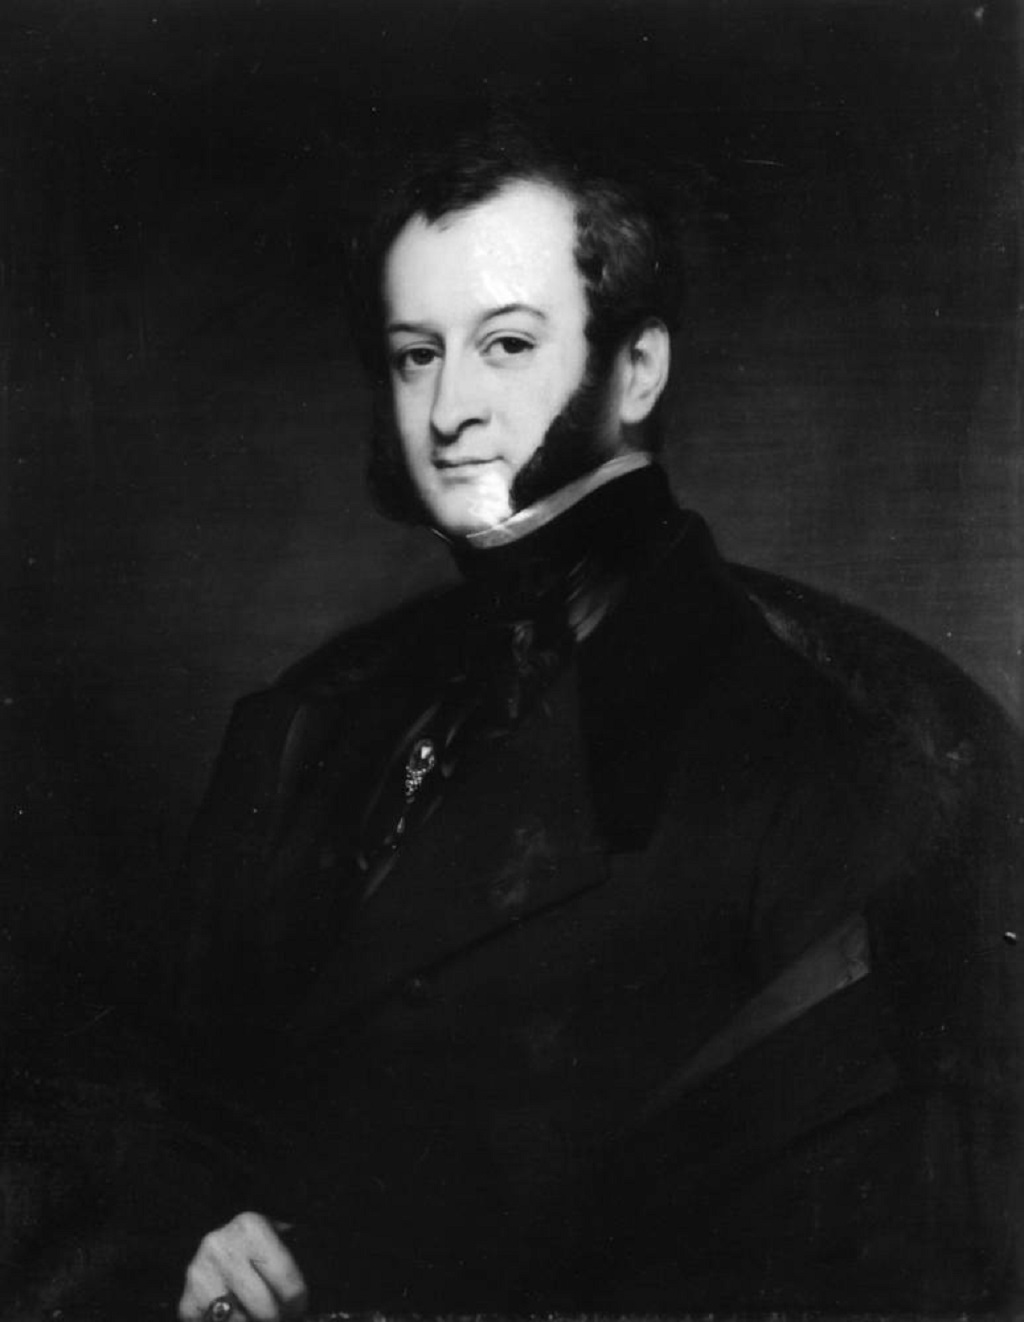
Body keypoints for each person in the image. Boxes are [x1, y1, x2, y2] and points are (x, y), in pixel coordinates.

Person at [173, 123, 1022, 1321]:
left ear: (638, 370)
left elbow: (869, 1245)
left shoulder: (836, 744)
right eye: (416, 356)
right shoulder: (308, 719)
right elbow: (179, 1113)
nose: (449, 410)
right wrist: (199, 1241)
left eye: (507, 345)